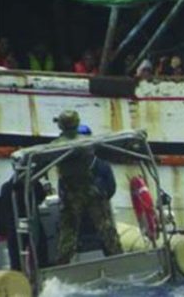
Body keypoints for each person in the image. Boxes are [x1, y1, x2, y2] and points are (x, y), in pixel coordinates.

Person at [51, 110, 123, 264]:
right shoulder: (88, 142)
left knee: (68, 232)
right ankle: (118, 259)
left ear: (61, 126)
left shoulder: (54, 146)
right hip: (92, 190)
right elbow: (110, 186)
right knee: (106, 227)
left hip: (70, 193)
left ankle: (63, 264)